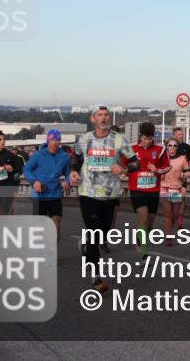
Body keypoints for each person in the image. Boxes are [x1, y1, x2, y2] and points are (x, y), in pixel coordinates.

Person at [70, 106, 139, 292]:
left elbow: (135, 162)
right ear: (93, 119)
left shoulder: (118, 139)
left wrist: (124, 170)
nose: (103, 118)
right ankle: (96, 277)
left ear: (109, 118)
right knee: (93, 233)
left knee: (103, 233)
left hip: (111, 193)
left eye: (106, 115)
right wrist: (74, 172)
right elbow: (75, 158)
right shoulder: (84, 140)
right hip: (88, 192)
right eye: (99, 115)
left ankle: (85, 248)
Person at [128, 122, 171, 259]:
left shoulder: (160, 149)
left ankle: (140, 237)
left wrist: (157, 170)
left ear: (153, 137)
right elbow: (122, 164)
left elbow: (168, 167)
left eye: (150, 139)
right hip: (137, 189)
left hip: (153, 189)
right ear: (140, 136)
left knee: (149, 223)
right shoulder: (131, 149)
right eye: (145, 139)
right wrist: (126, 170)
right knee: (144, 217)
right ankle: (144, 254)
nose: (147, 142)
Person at [23, 129, 73, 241]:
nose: (55, 142)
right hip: (39, 195)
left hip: (55, 195)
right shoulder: (38, 155)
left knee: (55, 225)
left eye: (57, 140)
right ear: (48, 140)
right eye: (52, 140)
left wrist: (67, 181)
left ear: (60, 141)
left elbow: (69, 173)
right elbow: (27, 169)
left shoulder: (64, 157)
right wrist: (35, 181)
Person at [159, 138, 190, 245]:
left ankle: (168, 229)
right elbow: (156, 170)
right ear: (167, 147)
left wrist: (182, 175)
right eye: (170, 145)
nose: (172, 148)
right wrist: (160, 173)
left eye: (174, 146)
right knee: (168, 214)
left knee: (175, 215)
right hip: (164, 187)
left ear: (177, 148)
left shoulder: (182, 159)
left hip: (176, 188)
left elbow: (188, 173)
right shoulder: (162, 158)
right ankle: (168, 238)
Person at [171, 127, 190, 227]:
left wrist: (187, 171)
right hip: (170, 177)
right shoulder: (169, 146)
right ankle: (172, 216)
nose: (181, 136)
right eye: (179, 134)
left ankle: (180, 219)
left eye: (182, 134)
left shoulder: (186, 146)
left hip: (182, 177)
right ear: (174, 135)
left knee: (182, 198)